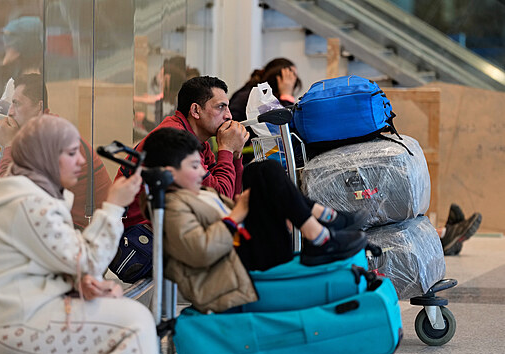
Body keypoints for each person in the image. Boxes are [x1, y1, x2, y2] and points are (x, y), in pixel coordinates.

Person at [0, 114, 164, 354]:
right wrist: (114, 207)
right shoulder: (30, 202)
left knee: (133, 325)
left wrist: (79, 283)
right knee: (134, 325)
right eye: (71, 153)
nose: (81, 161)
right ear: (46, 156)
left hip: (11, 317)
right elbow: (88, 261)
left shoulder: (23, 192)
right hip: (14, 324)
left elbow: (52, 260)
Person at [141, 128, 367, 313]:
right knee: (269, 171)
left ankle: (323, 228)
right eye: (194, 166)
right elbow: (201, 251)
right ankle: (324, 229)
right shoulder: (171, 206)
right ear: (168, 173)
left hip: (242, 252)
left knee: (258, 171)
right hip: (232, 271)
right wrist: (237, 214)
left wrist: (248, 208)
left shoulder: (196, 193)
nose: (202, 172)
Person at [118, 75, 249, 228]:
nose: (229, 116)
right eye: (220, 107)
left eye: (227, 107)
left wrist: (236, 155)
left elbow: (229, 202)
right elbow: (218, 200)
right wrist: (226, 149)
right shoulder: (175, 141)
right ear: (195, 110)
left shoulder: (198, 140)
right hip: (142, 234)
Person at [0, 73, 112, 228]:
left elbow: (9, 199)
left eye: (17, 104)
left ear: (39, 107)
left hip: (84, 233)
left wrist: (9, 145)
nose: (10, 112)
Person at [229, 57, 301, 123]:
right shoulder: (251, 96)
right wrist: (286, 95)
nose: (293, 82)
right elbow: (283, 123)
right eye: (290, 77)